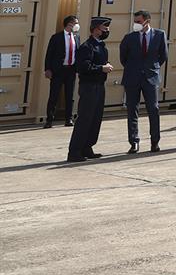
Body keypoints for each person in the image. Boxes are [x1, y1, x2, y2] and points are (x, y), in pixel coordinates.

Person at [119, 9, 167, 154]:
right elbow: (123, 58)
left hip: (150, 78)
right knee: (132, 110)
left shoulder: (159, 35)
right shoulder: (129, 37)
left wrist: (152, 69)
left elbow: (163, 56)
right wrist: (135, 68)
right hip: (132, 78)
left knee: (153, 109)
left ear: (147, 21)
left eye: (139, 22)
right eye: (135, 22)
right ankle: (134, 142)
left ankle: (155, 141)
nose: (136, 24)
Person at [66, 17, 114, 162]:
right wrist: (102, 68)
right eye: (104, 29)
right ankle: (74, 151)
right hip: (89, 87)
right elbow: (83, 67)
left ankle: (87, 146)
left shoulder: (101, 46)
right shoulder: (87, 47)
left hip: (99, 86)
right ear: (95, 29)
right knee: (85, 118)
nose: (107, 31)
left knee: (95, 118)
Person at [44, 14, 81, 128]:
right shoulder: (56, 37)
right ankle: (49, 120)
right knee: (54, 95)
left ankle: (68, 119)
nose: (77, 25)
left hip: (71, 70)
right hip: (58, 70)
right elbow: (49, 54)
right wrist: (48, 69)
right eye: (75, 23)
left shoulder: (76, 37)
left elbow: (77, 54)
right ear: (69, 24)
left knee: (69, 96)